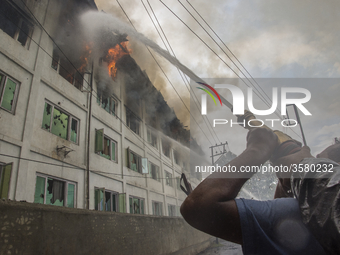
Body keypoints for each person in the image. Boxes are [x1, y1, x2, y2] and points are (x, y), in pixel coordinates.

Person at [180, 128, 340, 254]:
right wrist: (285, 181)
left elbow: (198, 208)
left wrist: (259, 148)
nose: (312, 159)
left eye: (319, 160)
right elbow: (279, 228)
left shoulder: (301, 214)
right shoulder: (306, 215)